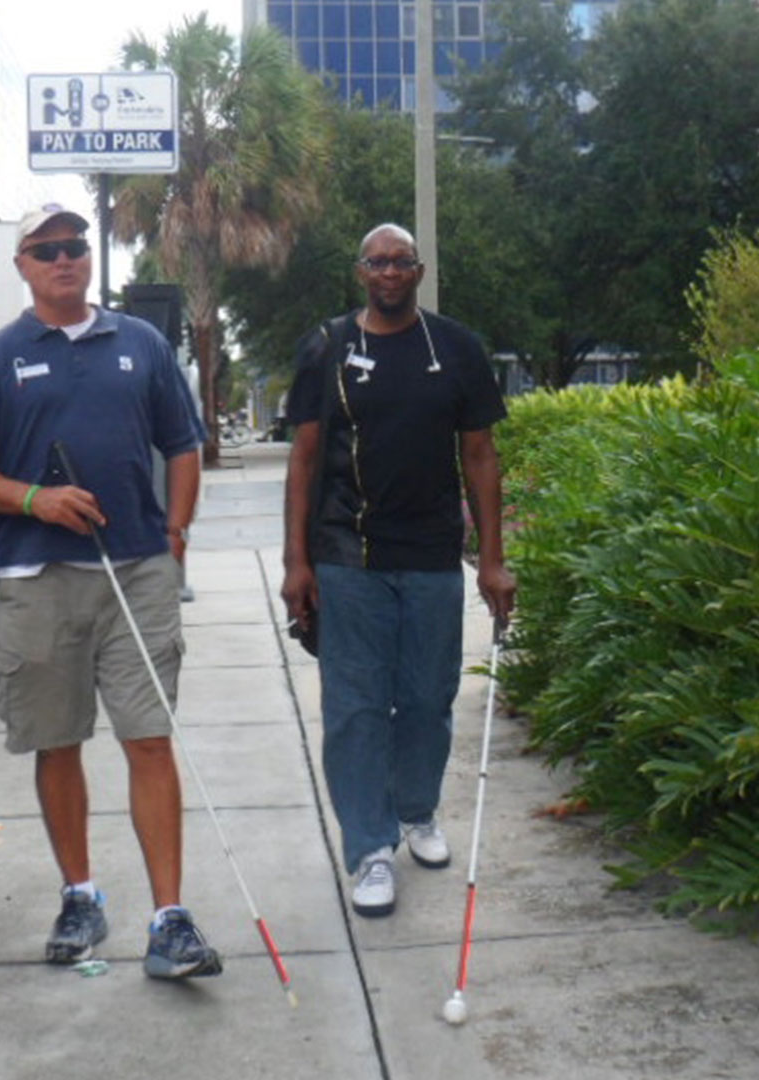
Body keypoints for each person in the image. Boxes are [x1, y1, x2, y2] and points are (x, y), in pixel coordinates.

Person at [0, 203, 222, 979]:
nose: (65, 259)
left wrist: (175, 539)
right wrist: (36, 500)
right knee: (58, 743)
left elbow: (184, 445)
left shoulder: (142, 343)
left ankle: (170, 920)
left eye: (75, 247)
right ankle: (81, 896)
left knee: (149, 738)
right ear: (24, 266)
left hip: (137, 572)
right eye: (46, 250)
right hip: (37, 578)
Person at [281, 223, 516, 918]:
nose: (389, 272)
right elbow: (303, 457)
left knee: (425, 700)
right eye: (377, 262)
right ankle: (370, 848)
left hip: (433, 556)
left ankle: (416, 813)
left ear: (418, 271)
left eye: (401, 262)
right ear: (360, 272)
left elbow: (480, 455)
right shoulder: (327, 347)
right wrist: (297, 561)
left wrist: (493, 559)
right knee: (355, 709)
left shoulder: (456, 348)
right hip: (348, 555)